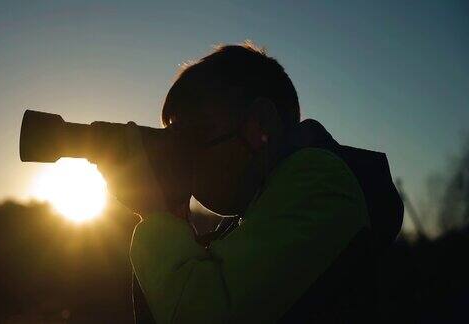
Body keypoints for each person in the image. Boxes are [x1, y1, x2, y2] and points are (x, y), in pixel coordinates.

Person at [101, 41, 403, 323]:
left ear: (261, 125)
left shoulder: (321, 182)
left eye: (196, 133)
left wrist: (156, 214)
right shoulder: (248, 221)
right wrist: (172, 213)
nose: (183, 154)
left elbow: (205, 312)